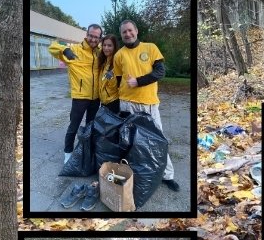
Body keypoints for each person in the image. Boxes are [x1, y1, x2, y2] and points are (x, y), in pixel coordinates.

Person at [113, 19, 179, 192]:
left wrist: (138, 82)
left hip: (149, 104)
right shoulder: (119, 55)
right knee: (129, 142)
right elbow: (118, 80)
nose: (127, 34)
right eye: (124, 32)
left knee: (159, 140)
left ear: (136, 31)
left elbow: (160, 72)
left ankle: (168, 176)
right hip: (127, 104)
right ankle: (132, 175)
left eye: (130, 30)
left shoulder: (150, 48)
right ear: (121, 35)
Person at [48, 24, 102, 164]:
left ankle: (87, 149)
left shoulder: (99, 52)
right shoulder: (75, 50)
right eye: (91, 35)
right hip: (80, 97)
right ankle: (68, 152)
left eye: (96, 37)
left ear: (99, 38)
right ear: (86, 35)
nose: (93, 39)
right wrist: (65, 49)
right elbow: (52, 47)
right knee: (74, 125)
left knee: (91, 126)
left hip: (96, 98)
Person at [97, 34, 121, 115]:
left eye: (109, 45)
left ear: (115, 47)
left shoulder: (117, 63)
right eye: (104, 45)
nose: (106, 48)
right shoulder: (103, 62)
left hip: (114, 103)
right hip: (104, 103)